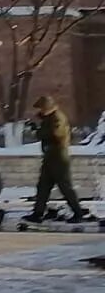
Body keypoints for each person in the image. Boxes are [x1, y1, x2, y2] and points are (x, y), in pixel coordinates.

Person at [26, 95, 91, 223]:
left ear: (47, 107)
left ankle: (78, 213)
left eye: (41, 109)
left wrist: (38, 131)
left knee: (65, 186)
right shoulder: (49, 118)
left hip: (58, 157)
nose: (39, 111)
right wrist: (38, 126)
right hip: (49, 157)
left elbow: (57, 134)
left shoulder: (57, 118)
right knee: (43, 186)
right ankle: (38, 213)